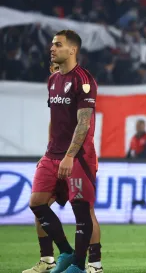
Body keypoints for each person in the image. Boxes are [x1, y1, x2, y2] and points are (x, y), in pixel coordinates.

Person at [28, 30, 99, 273]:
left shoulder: (83, 80)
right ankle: (66, 252)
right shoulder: (53, 80)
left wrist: (69, 155)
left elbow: (84, 123)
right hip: (52, 154)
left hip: (77, 155)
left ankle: (85, 265)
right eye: (52, 44)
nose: (52, 48)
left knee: (83, 210)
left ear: (72, 50)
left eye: (58, 45)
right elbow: (53, 118)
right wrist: (49, 150)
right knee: (37, 203)